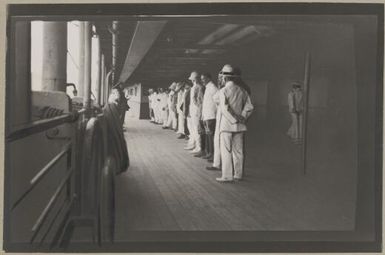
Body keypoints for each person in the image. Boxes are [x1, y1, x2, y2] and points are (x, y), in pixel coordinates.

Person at [216, 65, 254, 182]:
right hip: (240, 126)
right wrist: (242, 117)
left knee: (226, 150)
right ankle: (238, 174)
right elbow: (249, 106)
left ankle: (227, 176)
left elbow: (224, 108)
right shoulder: (242, 90)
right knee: (238, 151)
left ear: (225, 78)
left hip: (227, 126)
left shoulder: (223, 91)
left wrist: (234, 119)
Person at [195, 73, 218, 159]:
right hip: (207, 116)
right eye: (201, 79)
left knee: (211, 136)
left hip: (211, 116)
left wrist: (214, 114)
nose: (202, 81)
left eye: (204, 79)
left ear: (209, 78)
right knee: (208, 136)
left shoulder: (213, 88)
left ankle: (212, 154)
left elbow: (217, 102)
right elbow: (206, 104)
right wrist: (203, 116)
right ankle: (208, 152)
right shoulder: (208, 88)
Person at [185, 71, 204, 155]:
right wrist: (189, 111)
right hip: (192, 110)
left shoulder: (200, 87)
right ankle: (193, 144)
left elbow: (200, 101)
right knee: (192, 129)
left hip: (196, 110)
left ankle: (199, 147)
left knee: (197, 129)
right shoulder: (193, 88)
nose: (192, 81)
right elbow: (191, 102)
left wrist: (199, 111)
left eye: (193, 79)